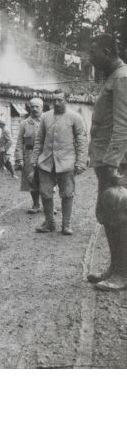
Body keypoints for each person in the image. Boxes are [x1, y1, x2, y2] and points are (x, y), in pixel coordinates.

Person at [86, 34, 127, 290]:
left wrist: (113, 163)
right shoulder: (113, 77)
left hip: (116, 162)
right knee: (108, 214)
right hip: (106, 160)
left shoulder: (121, 78)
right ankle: (115, 268)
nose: (90, 58)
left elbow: (123, 125)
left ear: (107, 52)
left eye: (93, 52)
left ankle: (122, 275)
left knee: (118, 213)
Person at [30, 89, 87, 235]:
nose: (56, 103)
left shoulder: (75, 117)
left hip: (67, 162)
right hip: (46, 162)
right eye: (54, 100)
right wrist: (34, 160)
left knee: (67, 194)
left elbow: (82, 140)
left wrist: (80, 162)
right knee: (45, 193)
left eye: (59, 100)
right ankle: (49, 223)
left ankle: (66, 225)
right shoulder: (45, 117)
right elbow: (39, 140)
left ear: (66, 100)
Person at [15, 97, 44, 213]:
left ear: (42, 108)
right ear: (29, 108)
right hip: (29, 155)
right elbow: (19, 142)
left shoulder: (47, 121)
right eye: (32, 107)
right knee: (32, 180)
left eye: (37, 106)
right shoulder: (24, 124)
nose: (35, 109)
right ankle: (36, 204)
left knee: (47, 180)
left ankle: (49, 205)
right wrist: (19, 158)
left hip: (44, 155)